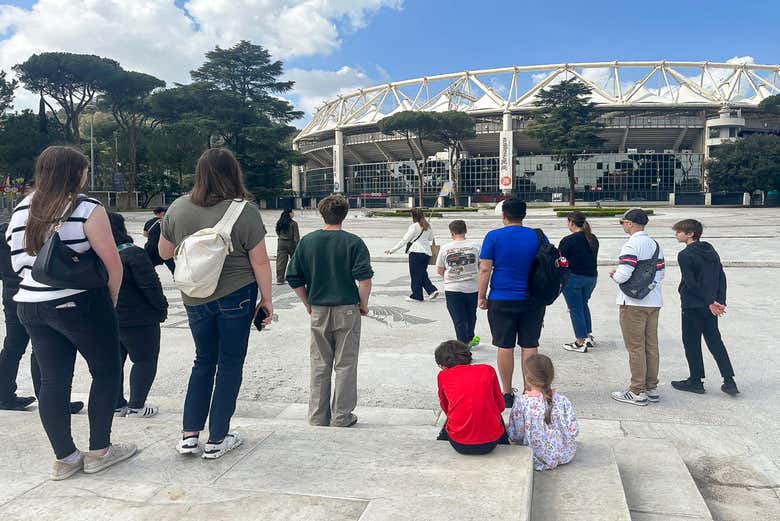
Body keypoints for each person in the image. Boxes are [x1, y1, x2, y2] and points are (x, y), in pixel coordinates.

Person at [7, 145, 136, 480]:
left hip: (31, 305)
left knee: (53, 380)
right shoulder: (87, 208)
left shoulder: (21, 208)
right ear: (73, 172)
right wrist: (111, 299)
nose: (86, 175)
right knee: (106, 371)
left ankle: (65, 458)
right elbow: (112, 263)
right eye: (84, 169)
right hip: (78, 303)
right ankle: (99, 451)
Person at [159, 148, 273, 459]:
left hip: (195, 296)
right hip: (236, 295)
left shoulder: (178, 208)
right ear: (233, 174)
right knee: (230, 363)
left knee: (203, 360)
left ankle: (189, 434)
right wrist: (267, 300)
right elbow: (260, 262)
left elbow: (164, 252)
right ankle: (218, 437)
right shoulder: (244, 211)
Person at [286, 194, 373, 427]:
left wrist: (307, 303)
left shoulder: (308, 241)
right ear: (344, 214)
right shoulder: (354, 242)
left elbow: (293, 277)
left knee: (319, 363)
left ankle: (317, 415)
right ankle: (342, 416)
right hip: (347, 308)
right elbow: (364, 279)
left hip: (319, 310)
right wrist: (363, 304)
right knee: (345, 364)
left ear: (320, 213)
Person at [0, 223, 83, 415]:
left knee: (13, 345)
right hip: (38, 292)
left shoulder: (6, 231)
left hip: (12, 292)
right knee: (43, 345)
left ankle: (4, 395)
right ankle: (50, 399)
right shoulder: (40, 229)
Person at [478, 197, 547, 408]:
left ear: (503, 215)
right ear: (524, 215)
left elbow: (484, 269)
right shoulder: (537, 236)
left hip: (502, 298)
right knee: (530, 345)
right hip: (532, 299)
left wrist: (482, 296)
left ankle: (507, 393)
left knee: (504, 346)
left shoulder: (494, 236)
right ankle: (530, 391)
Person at [108, 212, 168, 418]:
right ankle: (136, 406)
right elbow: (151, 286)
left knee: (114, 363)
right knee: (145, 360)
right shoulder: (133, 254)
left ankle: (116, 405)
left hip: (108, 318)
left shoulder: (96, 255)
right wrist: (161, 309)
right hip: (139, 319)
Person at [670, 219, 738, 396]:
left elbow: (691, 284)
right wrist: (718, 302)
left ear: (690, 234)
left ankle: (695, 381)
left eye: (679, 231)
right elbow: (721, 277)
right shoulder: (710, 250)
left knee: (691, 342)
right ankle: (729, 381)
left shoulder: (685, 255)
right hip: (711, 305)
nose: (676, 234)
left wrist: (710, 302)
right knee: (715, 341)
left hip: (693, 304)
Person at [609, 208, 665, 406]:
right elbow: (660, 274)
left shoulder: (631, 245)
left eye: (623, 222)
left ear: (630, 223)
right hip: (653, 301)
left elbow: (624, 274)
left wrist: (614, 275)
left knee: (635, 347)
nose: (623, 225)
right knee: (651, 346)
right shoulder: (655, 245)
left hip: (633, 304)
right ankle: (651, 387)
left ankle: (636, 391)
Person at [435, 340, 509, 455]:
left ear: (442, 366)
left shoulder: (443, 376)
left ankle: (441, 439)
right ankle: (505, 443)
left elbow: (446, 408)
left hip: (459, 444)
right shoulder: (488, 370)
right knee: (492, 409)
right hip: (491, 443)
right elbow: (500, 405)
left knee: (455, 411)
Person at [507, 354, 579, 471]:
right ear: (551, 376)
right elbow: (574, 430)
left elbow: (517, 434)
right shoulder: (563, 400)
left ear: (527, 378)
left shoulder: (522, 402)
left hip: (534, 456)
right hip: (565, 454)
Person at [559, 211, 599, 353]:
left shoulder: (568, 240)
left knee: (575, 309)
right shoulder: (592, 238)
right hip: (591, 278)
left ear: (571, 222)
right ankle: (588, 336)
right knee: (583, 305)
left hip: (573, 279)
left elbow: (562, 262)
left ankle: (580, 341)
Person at [436, 220, 481, 347]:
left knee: (458, 318)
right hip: (472, 287)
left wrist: (454, 275)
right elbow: (482, 265)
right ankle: (469, 338)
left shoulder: (445, 248)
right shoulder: (476, 246)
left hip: (453, 288)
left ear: (452, 232)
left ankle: (463, 344)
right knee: (471, 315)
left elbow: (440, 269)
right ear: (466, 230)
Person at [385, 208, 439, 302]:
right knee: (422, 274)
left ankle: (417, 296)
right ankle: (432, 290)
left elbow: (404, 240)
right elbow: (430, 238)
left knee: (415, 275)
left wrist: (392, 250)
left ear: (414, 216)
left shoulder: (414, 226)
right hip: (426, 253)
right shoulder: (427, 225)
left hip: (416, 252)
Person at [144, 207, 175, 275]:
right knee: (172, 266)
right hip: (162, 246)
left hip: (150, 247)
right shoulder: (165, 222)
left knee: (149, 266)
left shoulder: (148, 222)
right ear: (162, 213)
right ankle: (176, 278)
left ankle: (150, 279)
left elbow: (145, 234)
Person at [275, 208, 300, 285]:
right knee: (294, 261)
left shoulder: (280, 222)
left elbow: (277, 231)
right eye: (292, 212)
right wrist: (298, 245)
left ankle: (280, 279)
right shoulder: (293, 223)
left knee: (281, 261)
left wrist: (281, 237)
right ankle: (293, 277)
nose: (293, 214)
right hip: (291, 243)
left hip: (281, 242)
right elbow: (296, 237)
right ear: (289, 214)